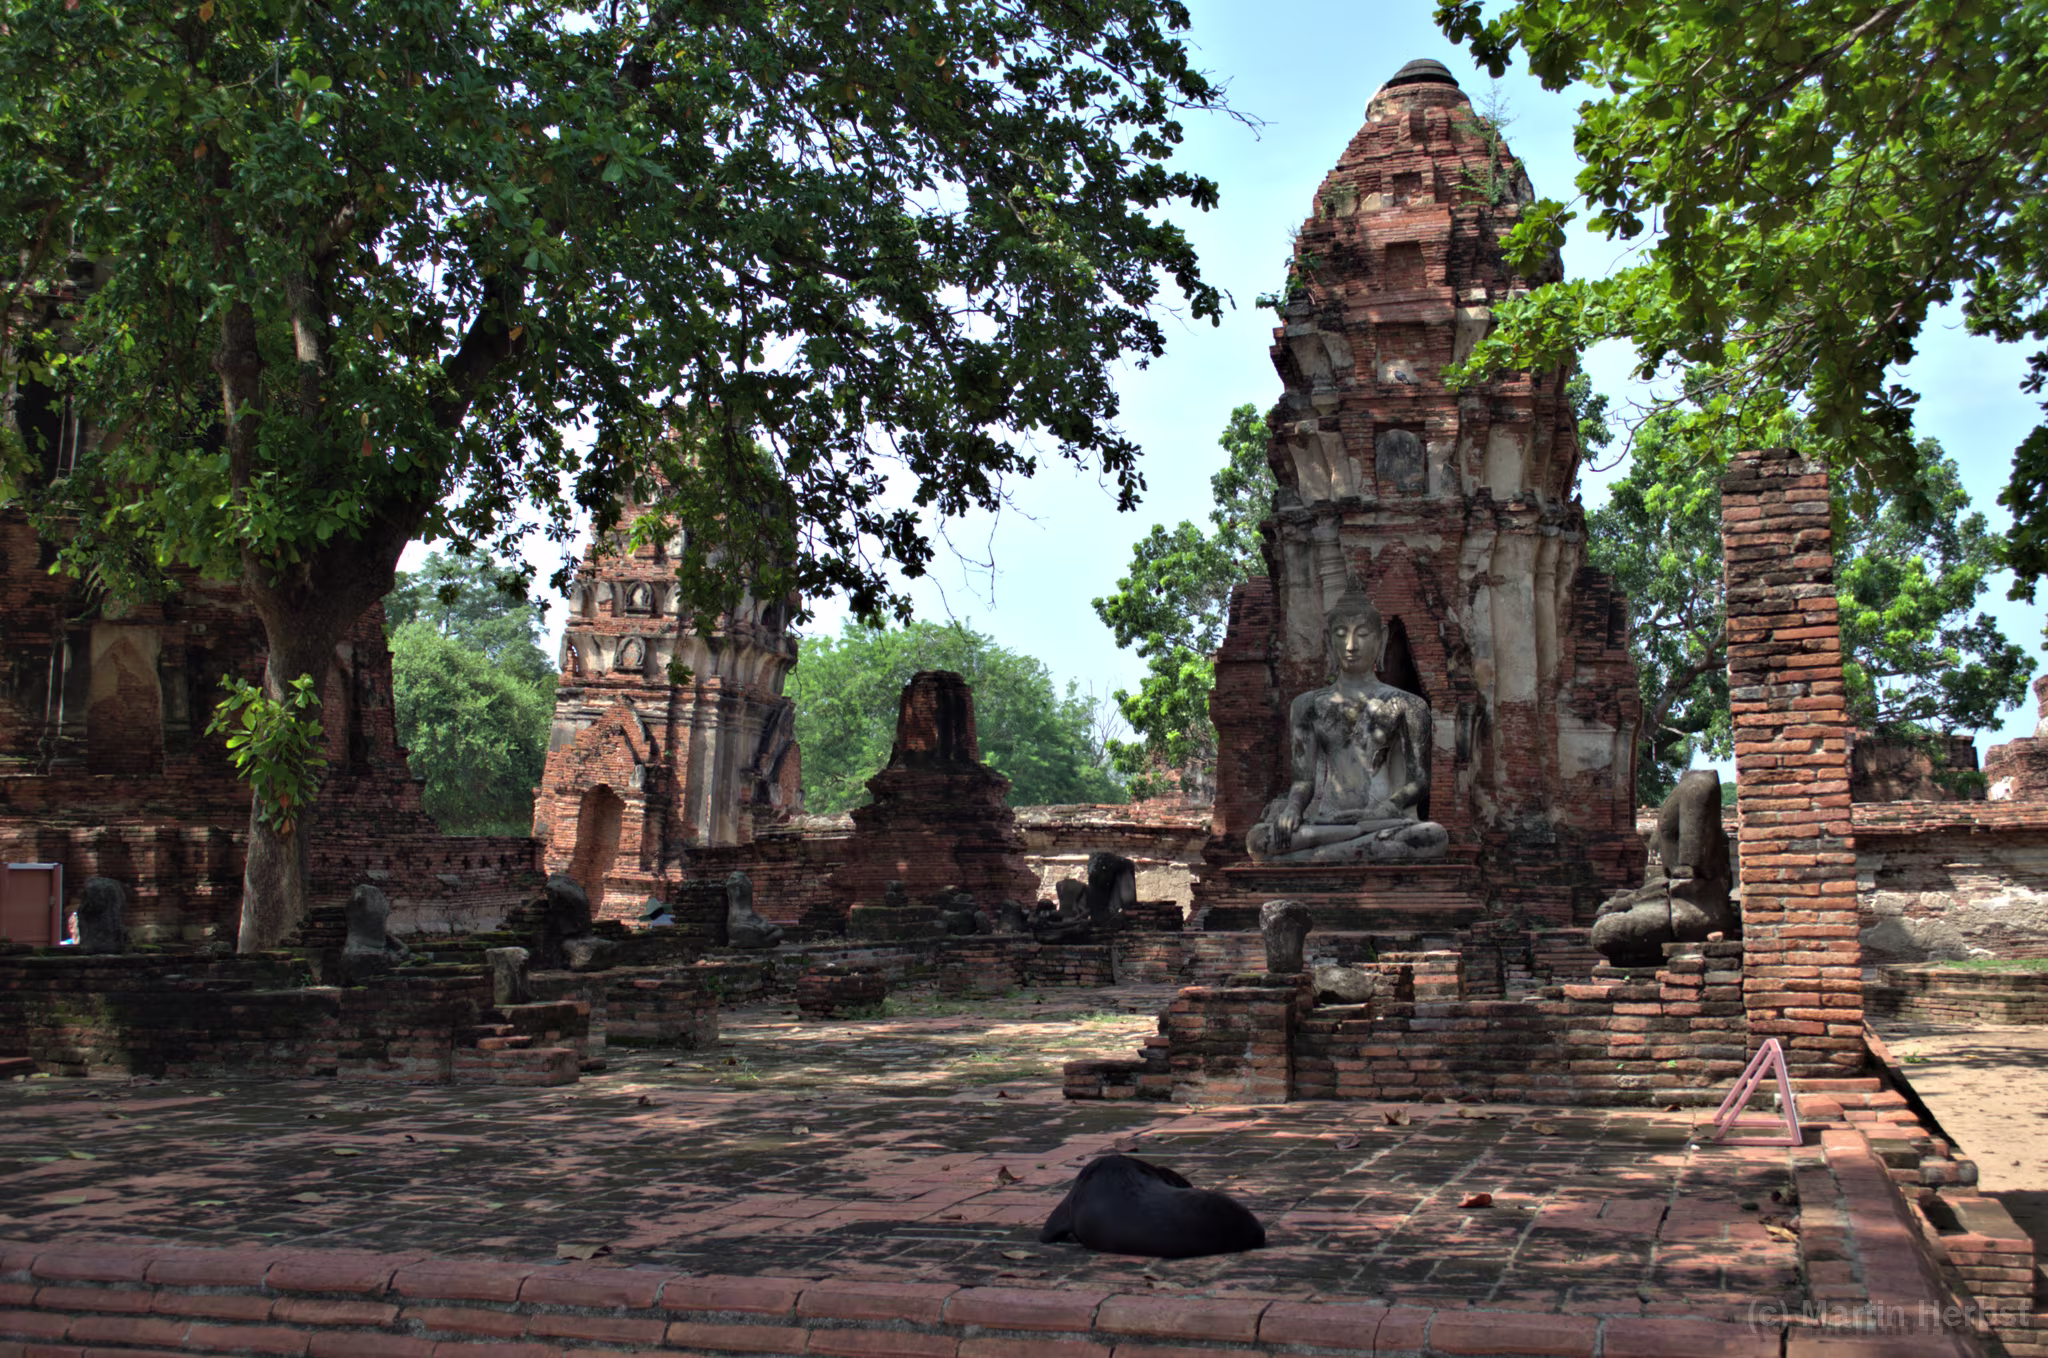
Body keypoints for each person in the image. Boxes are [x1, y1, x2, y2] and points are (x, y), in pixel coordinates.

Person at [1246, 587, 1448, 863]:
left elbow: (1420, 780)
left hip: (1381, 819)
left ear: (1381, 638)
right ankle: (1350, 842)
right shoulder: (1307, 705)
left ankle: (1314, 856)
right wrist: (1292, 809)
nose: (1351, 646)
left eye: (1362, 634)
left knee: (1432, 836)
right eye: (1341, 635)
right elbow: (1303, 781)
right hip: (1326, 821)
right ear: (1328, 641)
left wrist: (1385, 810)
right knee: (1257, 840)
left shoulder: (1408, 704)